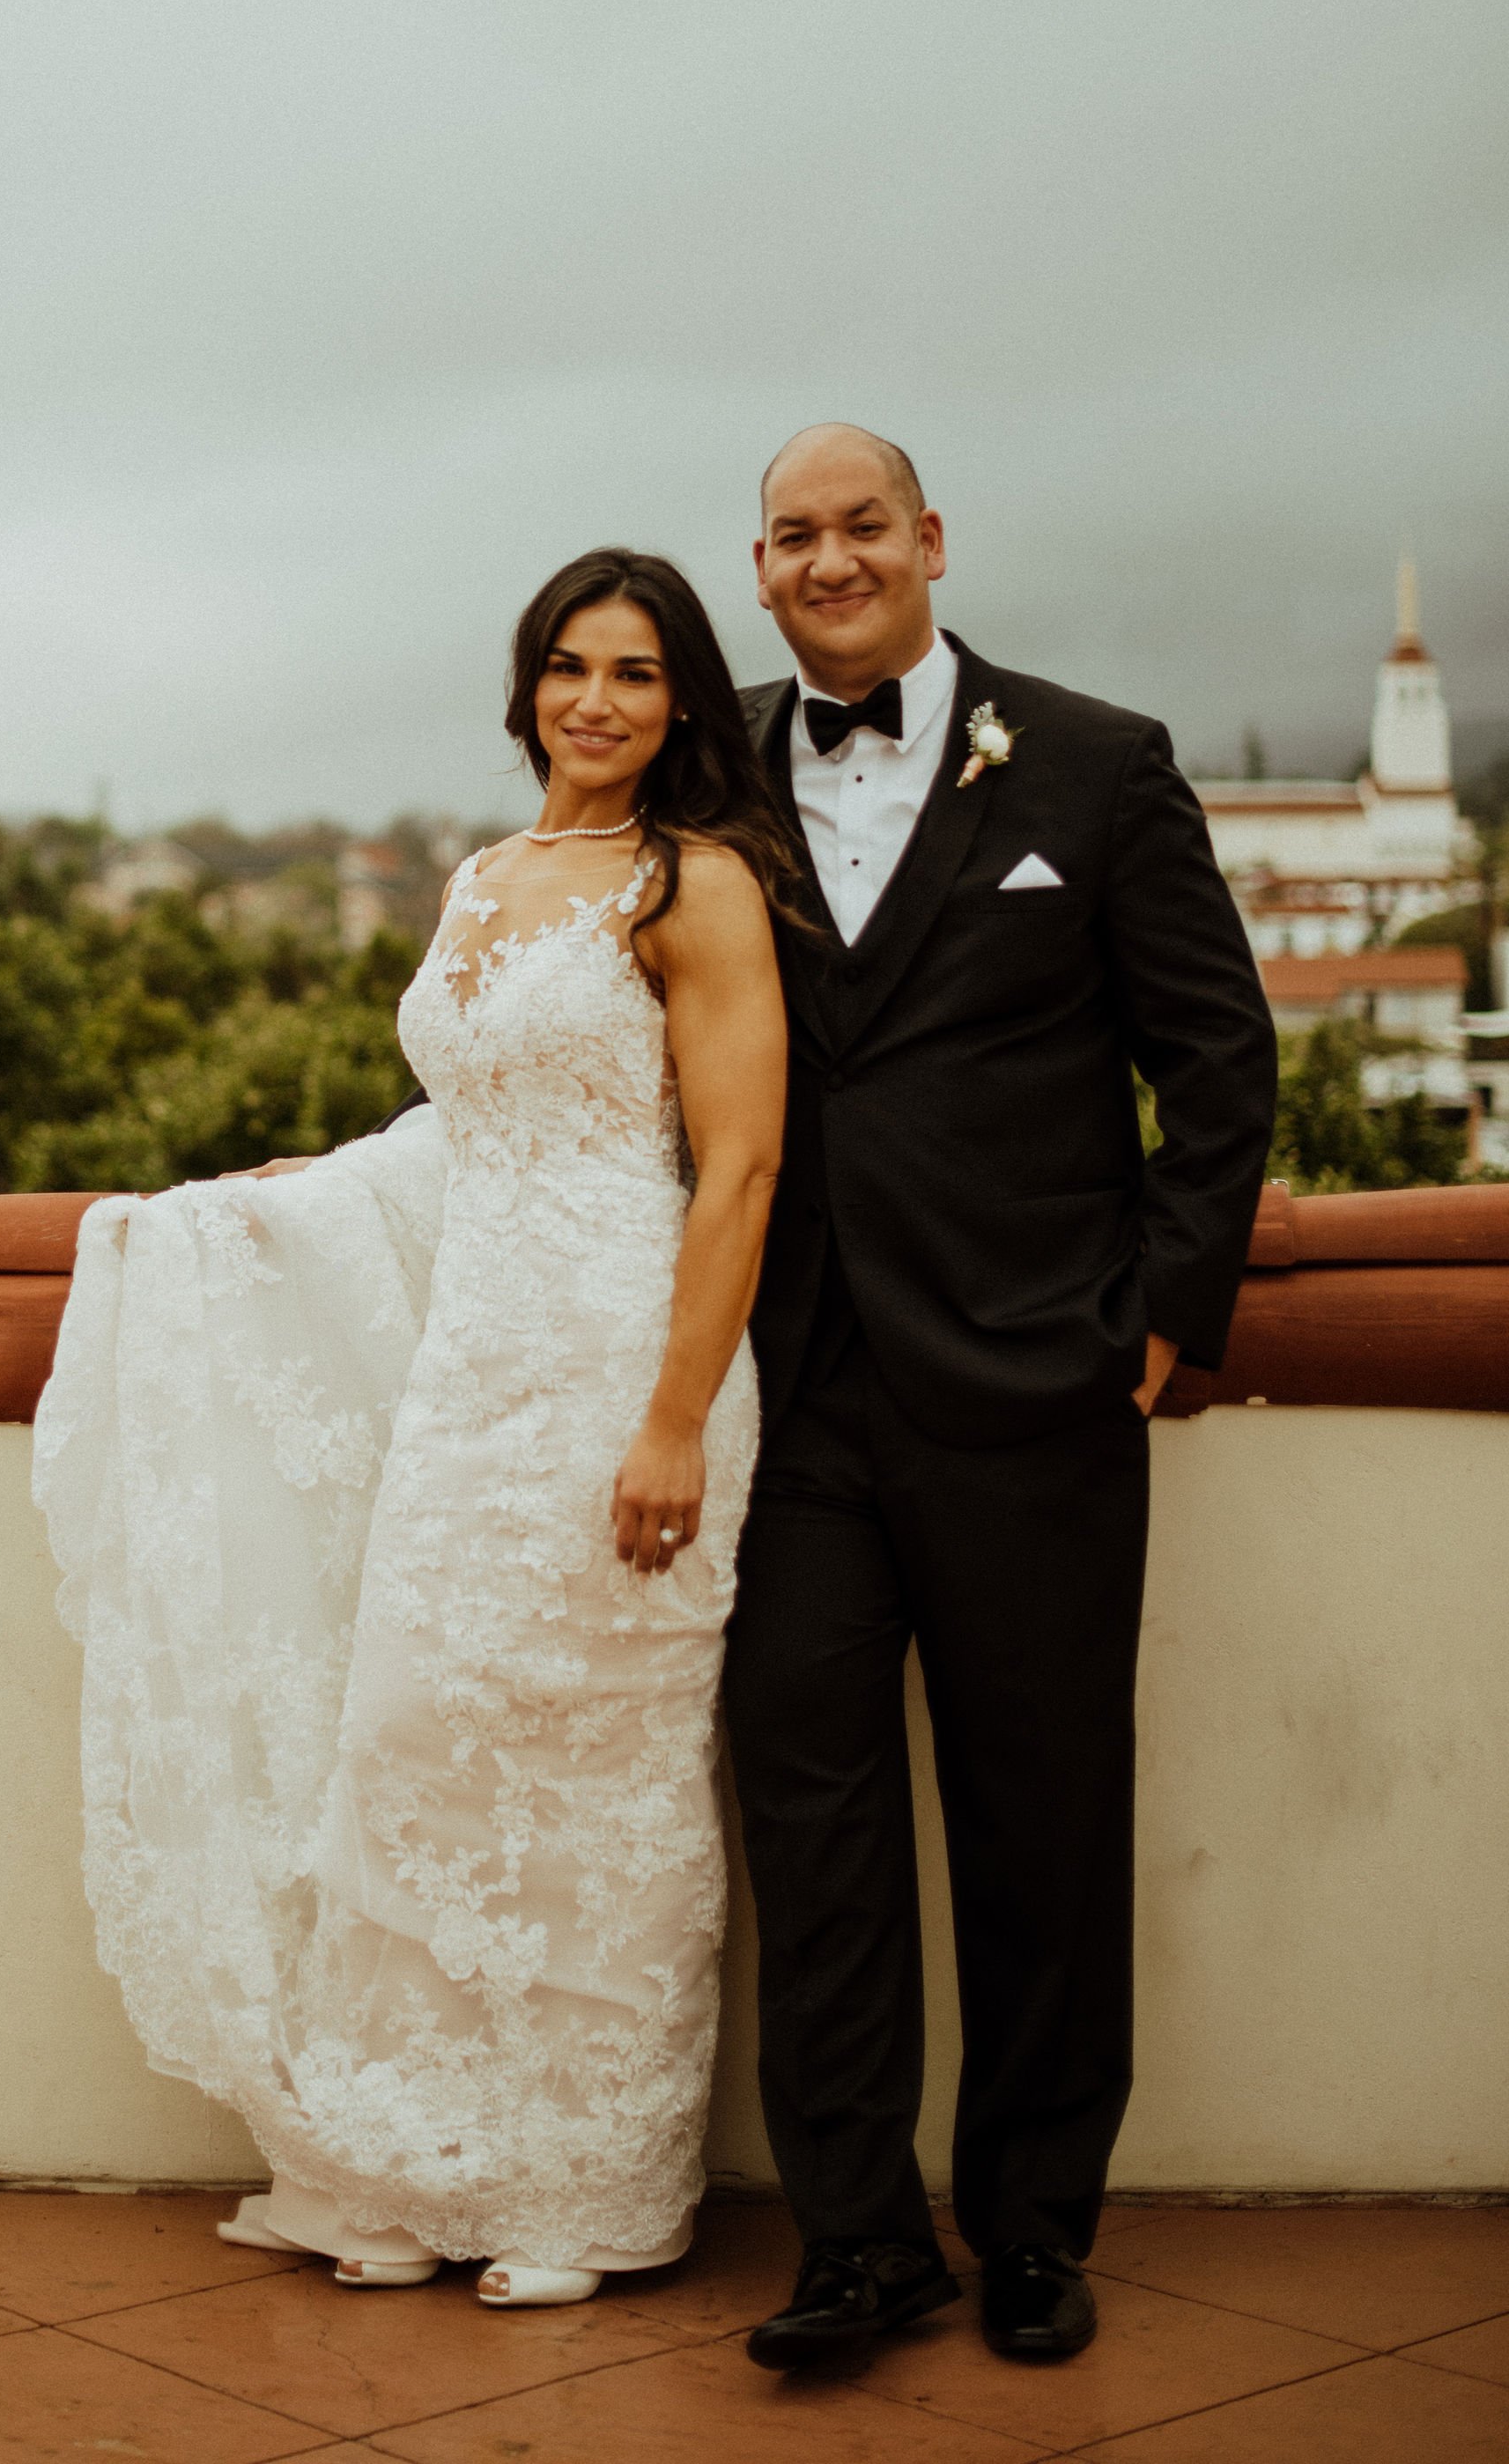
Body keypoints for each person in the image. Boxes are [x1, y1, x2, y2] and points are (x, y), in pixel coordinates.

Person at [33, 550, 790, 2307]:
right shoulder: (483, 878)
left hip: (626, 1364)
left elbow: (738, 1163)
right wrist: (265, 1203)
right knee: (419, 1746)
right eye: (567, 665)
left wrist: (672, 1416)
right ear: (526, 683)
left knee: (602, 1773)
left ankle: (587, 2194)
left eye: (634, 671)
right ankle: (408, 2157)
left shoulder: (698, 886)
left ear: (681, 703)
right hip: (472, 1376)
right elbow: (462, 1122)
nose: (595, 699)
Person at [725, 423, 1279, 2372]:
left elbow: (1214, 1061)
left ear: (929, 539)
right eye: (790, 536)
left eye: (857, 525)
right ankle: (857, 2239)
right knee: (813, 1834)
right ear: (763, 566)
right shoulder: (708, 766)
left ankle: (1035, 2230)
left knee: (1041, 1822)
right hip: (786, 1398)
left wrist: (1161, 1308)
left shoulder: (1094, 762)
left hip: (1037, 1382)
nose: (827, 558)